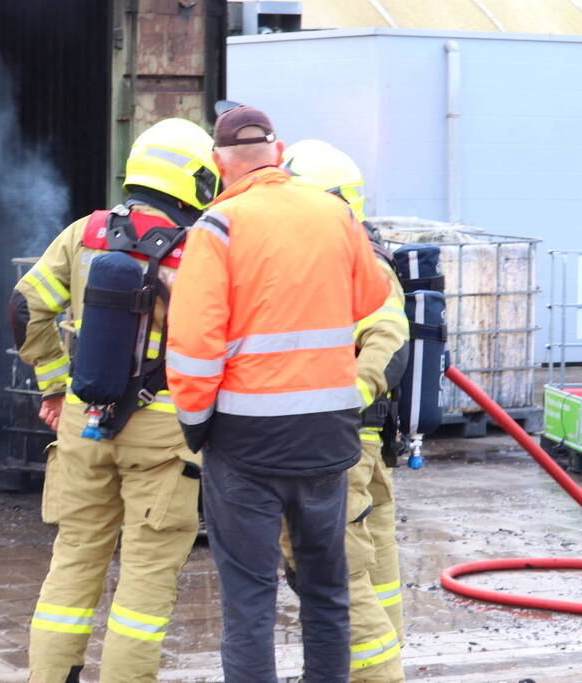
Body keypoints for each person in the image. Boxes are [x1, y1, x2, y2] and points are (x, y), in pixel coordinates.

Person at [165, 105, 391, 682]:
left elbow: (193, 346)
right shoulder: (335, 213)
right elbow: (369, 298)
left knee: (250, 601)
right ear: (279, 151)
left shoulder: (217, 227)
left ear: (218, 163)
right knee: (327, 590)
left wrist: (196, 423)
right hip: (327, 434)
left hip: (245, 441)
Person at [10, 118, 221, 682]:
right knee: (144, 588)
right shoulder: (203, 249)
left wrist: (55, 384)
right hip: (164, 438)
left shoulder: (86, 233)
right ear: (197, 181)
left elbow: (24, 308)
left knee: (72, 567)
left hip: (83, 424)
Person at [280, 139, 410, 681]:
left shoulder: (357, 261)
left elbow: (388, 340)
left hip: (342, 444)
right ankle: (379, 666)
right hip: (361, 440)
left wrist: (338, 403)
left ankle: (377, 672)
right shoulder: (348, 252)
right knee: (373, 570)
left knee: (340, 576)